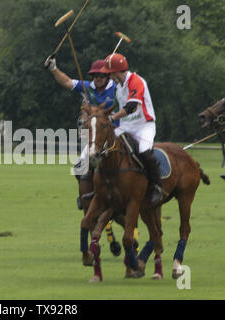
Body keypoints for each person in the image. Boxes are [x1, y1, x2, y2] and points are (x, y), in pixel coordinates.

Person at [45, 56, 130, 256]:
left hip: (117, 131)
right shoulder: (87, 87)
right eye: (95, 75)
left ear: (107, 75)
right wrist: (53, 68)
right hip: (96, 136)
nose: (98, 79)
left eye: (101, 75)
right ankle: (86, 196)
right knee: (79, 166)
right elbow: (66, 81)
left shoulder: (117, 88)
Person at [100, 53, 164, 204]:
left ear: (116, 71)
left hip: (144, 125)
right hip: (126, 126)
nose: (109, 76)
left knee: (144, 152)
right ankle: (103, 185)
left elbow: (131, 106)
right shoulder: (118, 87)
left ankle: (157, 187)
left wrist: (112, 118)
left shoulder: (136, 81)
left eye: (109, 73)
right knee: (104, 146)